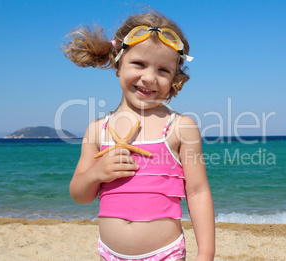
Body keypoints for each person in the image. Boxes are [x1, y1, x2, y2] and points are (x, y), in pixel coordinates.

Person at [62, 11, 215, 261]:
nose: (149, 77)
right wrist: (96, 173)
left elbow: (197, 193)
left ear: (174, 77)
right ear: (118, 63)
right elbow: (80, 195)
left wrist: (206, 253)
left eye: (163, 70)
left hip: (165, 253)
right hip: (110, 254)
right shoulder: (97, 130)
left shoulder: (179, 127)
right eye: (139, 64)